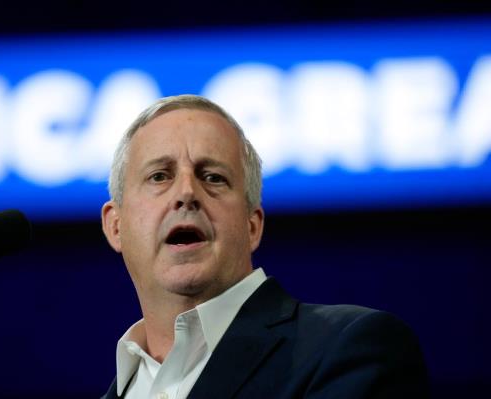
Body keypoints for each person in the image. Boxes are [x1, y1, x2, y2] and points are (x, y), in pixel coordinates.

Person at [100, 94, 428, 399]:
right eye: (159, 176)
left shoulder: (351, 347)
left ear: (252, 225)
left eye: (213, 177)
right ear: (116, 225)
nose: (186, 192)